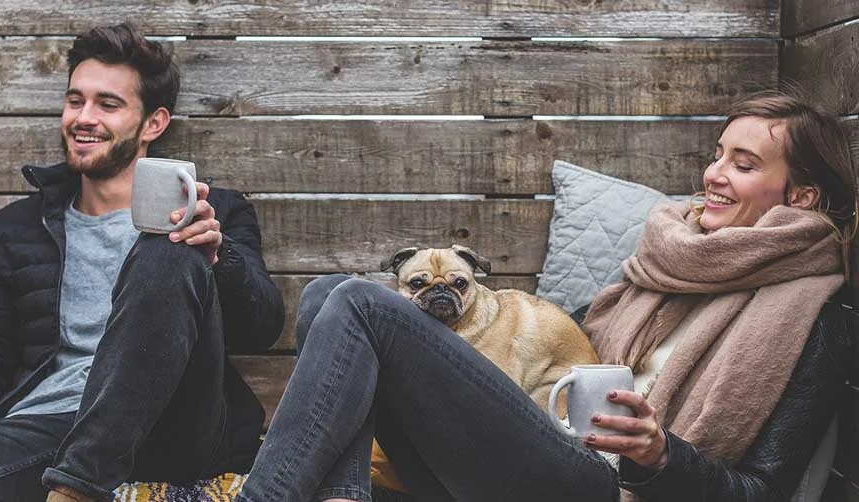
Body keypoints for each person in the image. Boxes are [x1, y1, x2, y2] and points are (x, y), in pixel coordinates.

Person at [233, 91, 857, 502]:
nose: (713, 175)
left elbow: (763, 490)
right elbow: (576, 344)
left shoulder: (810, 313)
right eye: (717, 155)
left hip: (606, 486)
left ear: (800, 196)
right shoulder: (673, 257)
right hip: (544, 443)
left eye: (743, 165)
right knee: (324, 296)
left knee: (361, 304)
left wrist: (660, 455)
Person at [0, 23, 284, 502]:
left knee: (169, 246)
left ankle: (76, 489)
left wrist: (216, 254)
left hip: (172, 428)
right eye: (75, 100)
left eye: (108, 104)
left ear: (153, 123)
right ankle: (75, 479)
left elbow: (262, 325)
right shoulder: (16, 229)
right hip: (46, 430)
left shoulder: (216, 212)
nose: (84, 117)